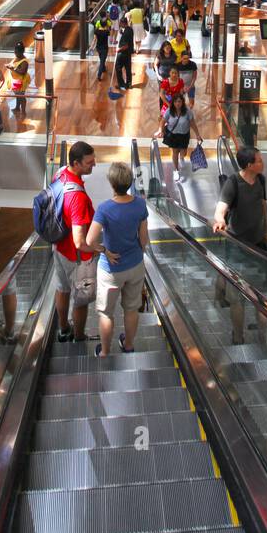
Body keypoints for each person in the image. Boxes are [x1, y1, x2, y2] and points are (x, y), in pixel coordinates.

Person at [84, 161, 148, 357]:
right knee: (131, 309)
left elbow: (89, 240)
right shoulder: (139, 204)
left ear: (112, 184)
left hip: (111, 270)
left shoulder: (105, 209)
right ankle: (128, 346)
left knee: (105, 313)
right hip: (135, 265)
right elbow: (143, 239)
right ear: (129, 182)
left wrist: (104, 250)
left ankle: (104, 352)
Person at [212, 147, 267, 345]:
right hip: (237, 248)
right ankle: (238, 336)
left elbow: (263, 205)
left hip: (258, 247)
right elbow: (220, 209)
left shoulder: (261, 180)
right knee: (237, 297)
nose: (263, 163)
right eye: (260, 161)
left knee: (261, 296)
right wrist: (220, 220)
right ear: (249, 165)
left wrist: (266, 231)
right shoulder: (233, 183)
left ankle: (264, 339)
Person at [52, 140, 98, 343]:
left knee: (62, 289)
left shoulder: (60, 173)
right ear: (76, 163)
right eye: (89, 162)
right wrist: (98, 248)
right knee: (81, 300)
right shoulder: (77, 198)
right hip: (77, 257)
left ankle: (63, 329)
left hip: (59, 247)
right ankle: (79, 337)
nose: (94, 165)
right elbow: (80, 241)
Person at [161, 94, 200, 175]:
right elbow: (163, 121)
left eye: (179, 101)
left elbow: (192, 123)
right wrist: (161, 130)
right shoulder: (169, 110)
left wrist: (197, 134)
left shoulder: (187, 111)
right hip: (173, 135)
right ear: (173, 103)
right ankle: (176, 170)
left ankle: (181, 157)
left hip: (184, 135)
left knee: (184, 152)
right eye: (175, 102)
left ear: (182, 102)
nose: (177, 103)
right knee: (175, 152)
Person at [7, 41, 30, 118]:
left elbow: (22, 72)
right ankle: (17, 108)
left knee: (21, 96)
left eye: (17, 51)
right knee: (17, 95)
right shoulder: (17, 57)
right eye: (15, 51)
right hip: (15, 80)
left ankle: (23, 112)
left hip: (20, 81)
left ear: (22, 51)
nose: (15, 53)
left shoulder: (24, 62)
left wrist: (12, 68)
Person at [115, 16, 134, 91]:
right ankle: (129, 84)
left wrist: (118, 49)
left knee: (118, 68)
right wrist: (121, 33)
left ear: (123, 23)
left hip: (123, 53)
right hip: (128, 53)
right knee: (128, 68)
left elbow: (126, 46)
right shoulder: (129, 29)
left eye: (120, 23)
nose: (119, 24)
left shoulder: (126, 32)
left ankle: (121, 84)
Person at [93, 13, 111, 80]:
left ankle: (103, 68)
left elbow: (94, 40)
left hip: (98, 47)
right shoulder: (107, 32)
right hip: (104, 48)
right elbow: (109, 31)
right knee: (102, 61)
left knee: (101, 59)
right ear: (106, 25)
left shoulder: (96, 31)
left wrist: (91, 47)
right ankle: (99, 75)